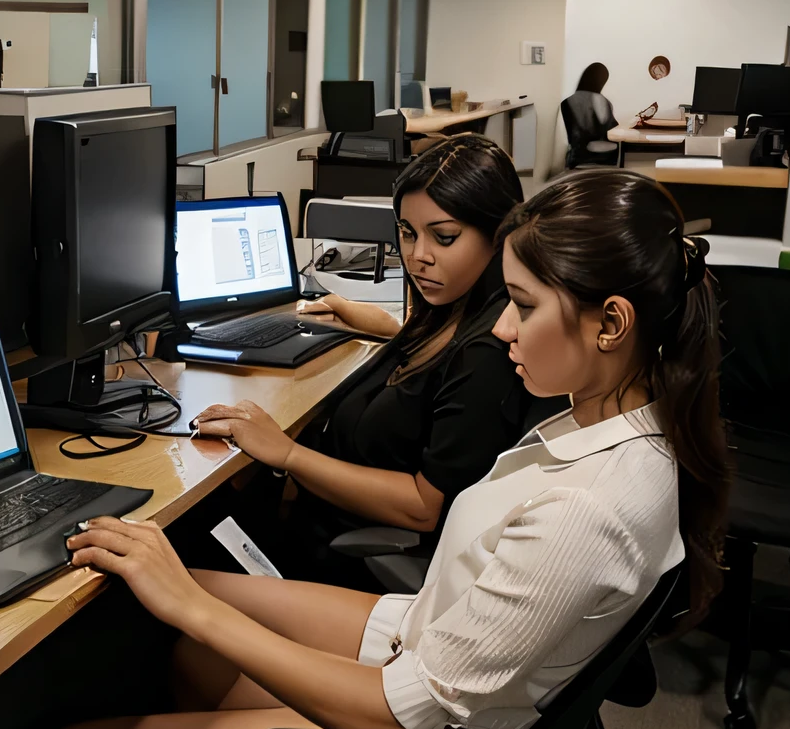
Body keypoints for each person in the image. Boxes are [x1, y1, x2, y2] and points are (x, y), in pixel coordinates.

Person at [0, 171, 728, 729]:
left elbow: (395, 716)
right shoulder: (610, 422)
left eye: (524, 306)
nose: (501, 326)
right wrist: (218, 591)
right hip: (451, 725)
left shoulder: (594, 507)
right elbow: (436, 626)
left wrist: (195, 606)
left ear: (612, 322)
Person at [188, 135, 536, 574]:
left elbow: (422, 507)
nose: (418, 256)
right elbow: (418, 344)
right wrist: (350, 311)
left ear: (498, 235)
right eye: (407, 233)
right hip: (314, 517)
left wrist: (286, 453)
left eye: (444, 237)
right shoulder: (451, 314)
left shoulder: (487, 353)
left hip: (345, 554)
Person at [561, 61, 618, 167]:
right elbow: (609, 129)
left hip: (576, 155)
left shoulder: (566, 102)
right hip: (601, 155)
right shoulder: (603, 101)